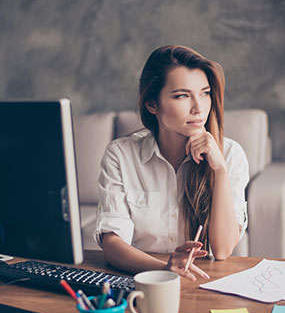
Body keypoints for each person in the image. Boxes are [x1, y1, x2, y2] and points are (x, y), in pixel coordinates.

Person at [95, 45, 249, 281]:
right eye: (182, 96)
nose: (199, 108)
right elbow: (112, 243)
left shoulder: (230, 154)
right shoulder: (120, 155)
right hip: (143, 281)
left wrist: (219, 171)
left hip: (204, 281)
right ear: (152, 104)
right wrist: (163, 269)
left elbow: (222, 251)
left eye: (205, 93)